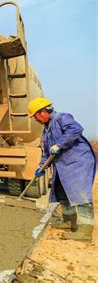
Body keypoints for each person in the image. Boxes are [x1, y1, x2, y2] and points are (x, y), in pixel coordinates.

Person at [28, 97, 95, 241]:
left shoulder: (61, 117)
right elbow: (47, 153)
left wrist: (60, 144)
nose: (35, 120)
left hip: (78, 161)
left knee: (80, 194)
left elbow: (76, 129)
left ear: (43, 112)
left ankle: (85, 231)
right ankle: (69, 221)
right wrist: (41, 167)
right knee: (60, 191)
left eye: (35, 116)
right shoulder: (46, 131)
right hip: (63, 164)